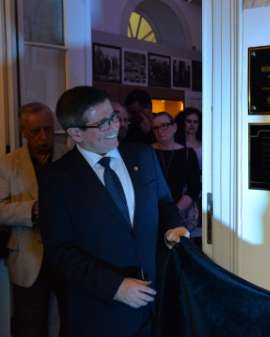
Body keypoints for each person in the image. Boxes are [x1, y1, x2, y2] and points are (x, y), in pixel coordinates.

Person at [39, 86, 189, 337]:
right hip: (99, 314)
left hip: (155, 309)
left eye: (114, 118)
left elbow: (164, 202)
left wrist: (172, 226)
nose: (114, 127)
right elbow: (59, 251)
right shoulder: (57, 179)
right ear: (76, 133)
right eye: (103, 123)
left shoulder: (143, 155)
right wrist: (115, 287)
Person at [0, 102, 66, 337]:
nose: (44, 136)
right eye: (36, 131)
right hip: (27, 257)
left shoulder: (69, 157)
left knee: (66, 323)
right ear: (23, 132)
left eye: (48, 129)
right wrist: (32, 210)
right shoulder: (7, 164)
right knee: (29, 324)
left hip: (66, 256)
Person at [152, 112, 201, 233]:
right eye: (156, 127)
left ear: (174, 127)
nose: (160, 130)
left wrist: (175, 211)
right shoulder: (147, 152)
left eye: (164, 125)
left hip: (178, 213)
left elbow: (194, 187)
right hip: (151, 213)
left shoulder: (187, 154)